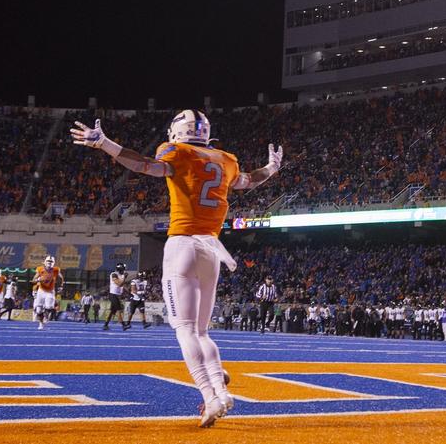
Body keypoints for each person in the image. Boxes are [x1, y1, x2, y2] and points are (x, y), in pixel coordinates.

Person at [71, 110, 282, 428]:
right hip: (211, 248)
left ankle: (210, 397)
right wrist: (273, 168)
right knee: (202, 331)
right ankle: (221, 392)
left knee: (184, 329)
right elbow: (250, 180)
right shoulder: (225, 159)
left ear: (177, 132)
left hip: (183, 242)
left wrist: (105, 144)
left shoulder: (178, 151)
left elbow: (144, 165)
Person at [32, 255, 63, 330]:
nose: (49, 263)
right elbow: (33, 280)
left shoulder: (56, 270)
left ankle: (46, 317)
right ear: (45, 262)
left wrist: (61, 286)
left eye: (51, 261)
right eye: (48, 261)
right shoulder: (40, 269)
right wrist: (38, 279)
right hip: (41, 290)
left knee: (49, 307)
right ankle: (41, 323)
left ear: (54, 263)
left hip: (50, 291)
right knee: (39, 310)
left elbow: (61, 277)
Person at [104, 263, 129, 331]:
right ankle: (123, 325)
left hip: (117, 295)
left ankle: (105, 325)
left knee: (112, 311)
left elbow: (122, 285)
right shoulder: (114, 274)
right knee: (118, 310)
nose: (124, 270)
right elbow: (119, 284)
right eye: (123, 269)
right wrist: (124, 277)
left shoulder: (120, 275)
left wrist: (129, 292)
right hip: (113, 294)